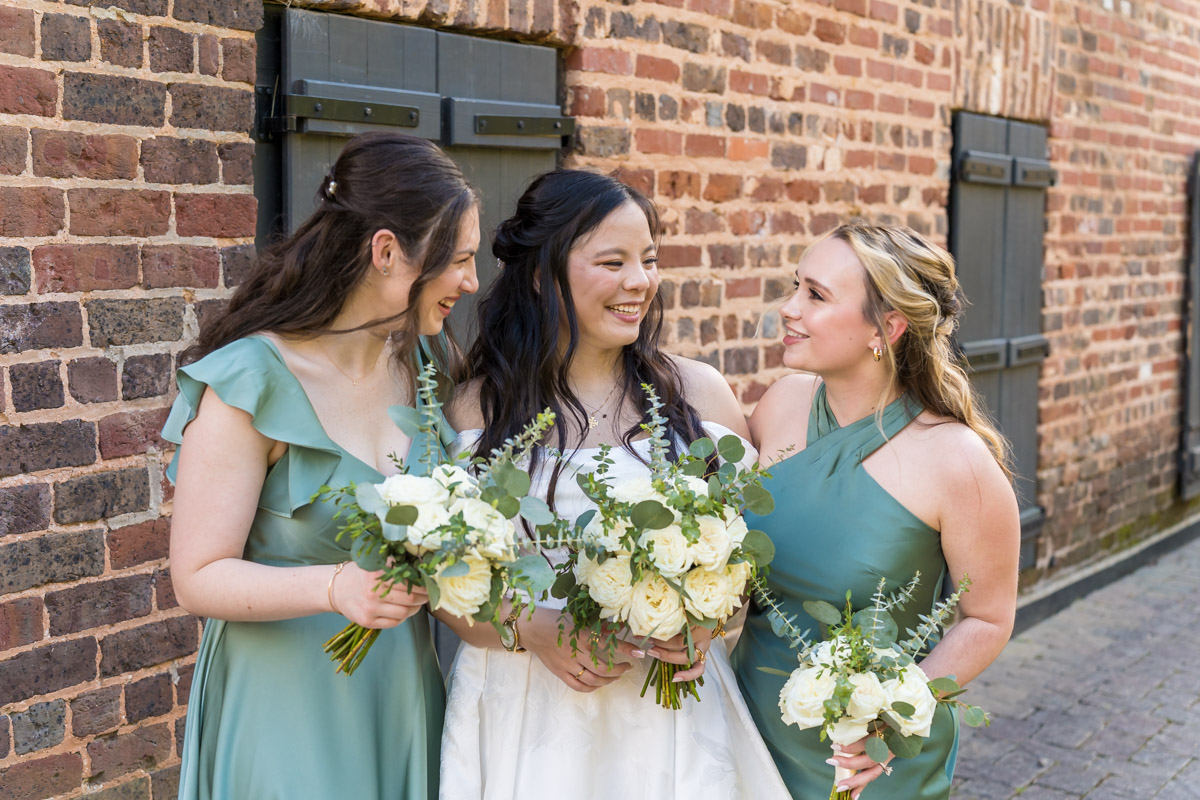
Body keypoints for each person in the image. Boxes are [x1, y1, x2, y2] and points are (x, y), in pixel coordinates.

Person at [437, 169, 790, 799]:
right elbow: (442, 583)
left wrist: (710, 620)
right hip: (524, 709)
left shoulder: (697, 394)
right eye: (614, 261)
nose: (640, 282)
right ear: (543, 274)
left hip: (670, 714)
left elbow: (747, 558)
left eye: (649, 260)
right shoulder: (474, 409)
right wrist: (531, 627)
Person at [163, 132, 480, 800]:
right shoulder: (252, 380)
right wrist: (336, 586)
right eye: (458, 261)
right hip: (285, 704)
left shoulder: (428, 367)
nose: (471, 283)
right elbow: (196, 577)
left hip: (398, 692)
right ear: (387, 252)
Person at [730, 220, 1020, 799]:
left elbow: (987, 619)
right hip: (746, 729)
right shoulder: (781, 404)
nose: (788, 308)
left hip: (866, 761)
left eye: (815, 295)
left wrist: (890, 716)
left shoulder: (956, 462)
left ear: (885, 328)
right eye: (795, 287)